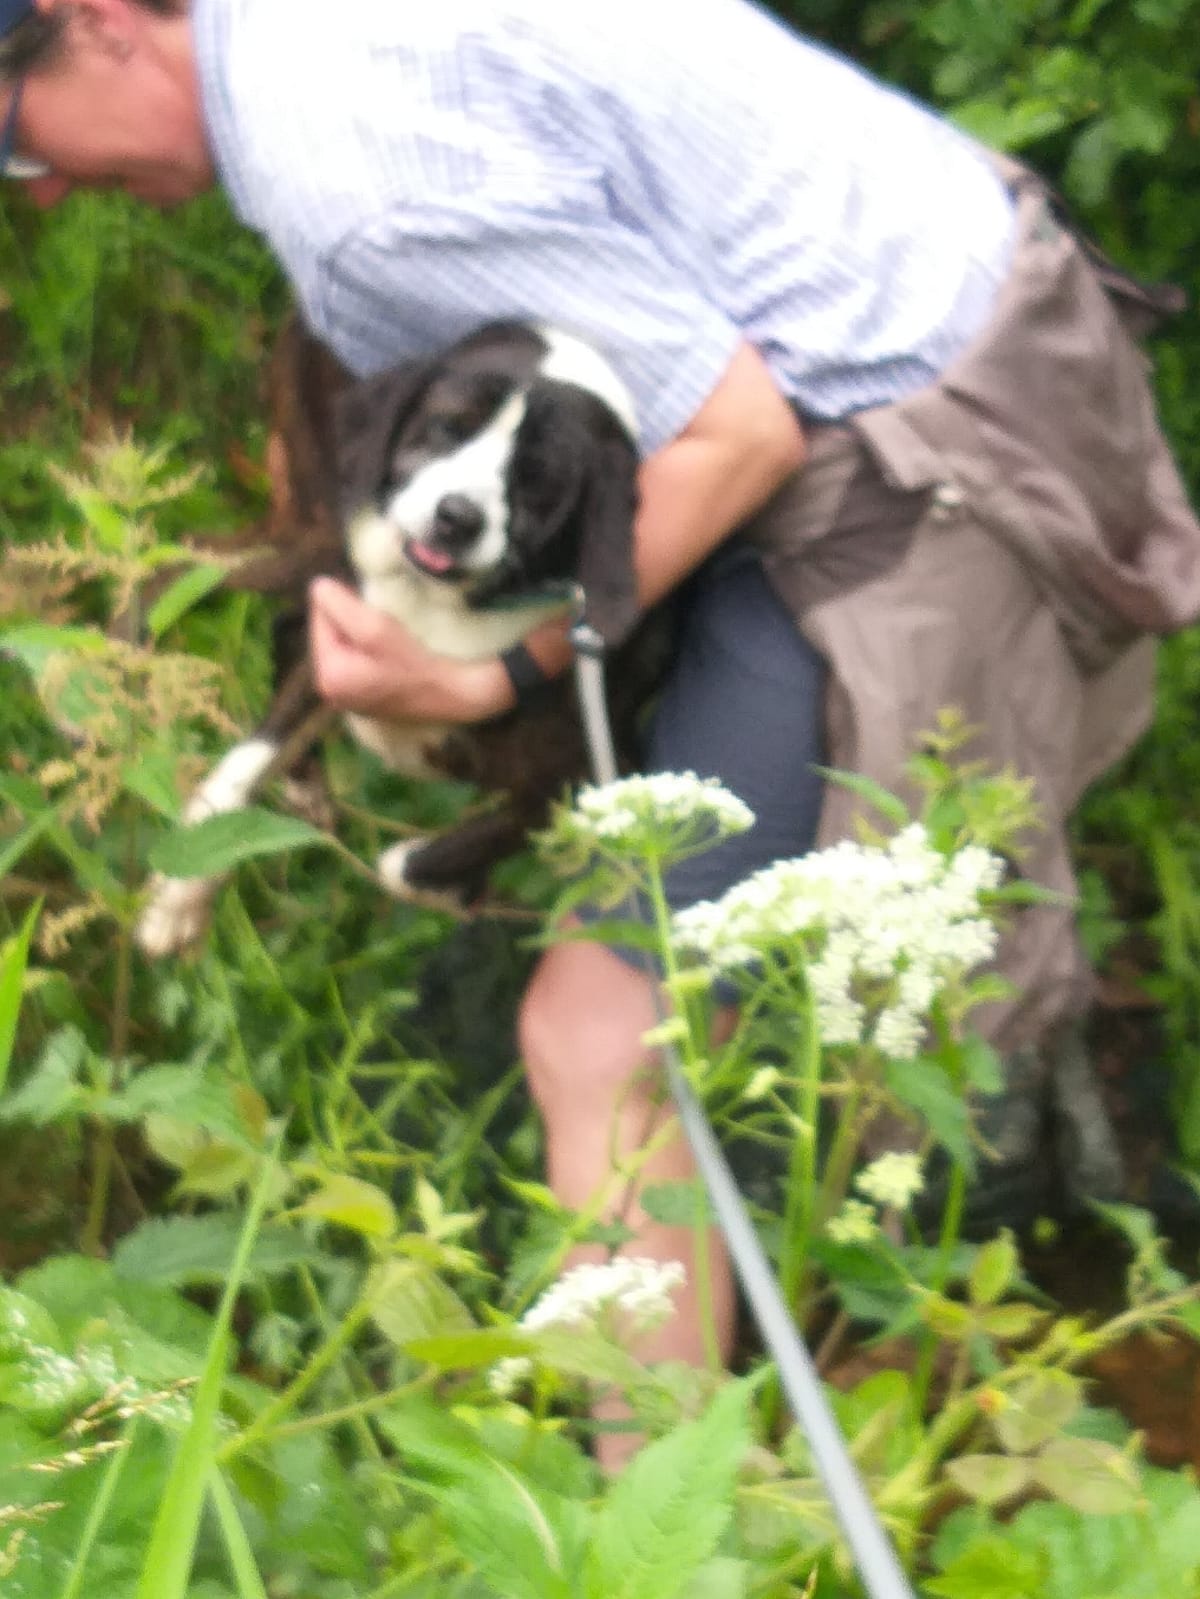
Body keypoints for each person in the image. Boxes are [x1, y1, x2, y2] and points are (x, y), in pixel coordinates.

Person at [5, 0, 1200, 1461]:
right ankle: (809, 1425)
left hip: (908, 455)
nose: (40, 195)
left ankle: (666, 1523)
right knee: (737, 1008)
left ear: (96, 20)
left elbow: (740, 434)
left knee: (605, 1033)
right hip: (978, 301)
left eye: (14, 146)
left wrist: (490, 684)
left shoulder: (355, 187)